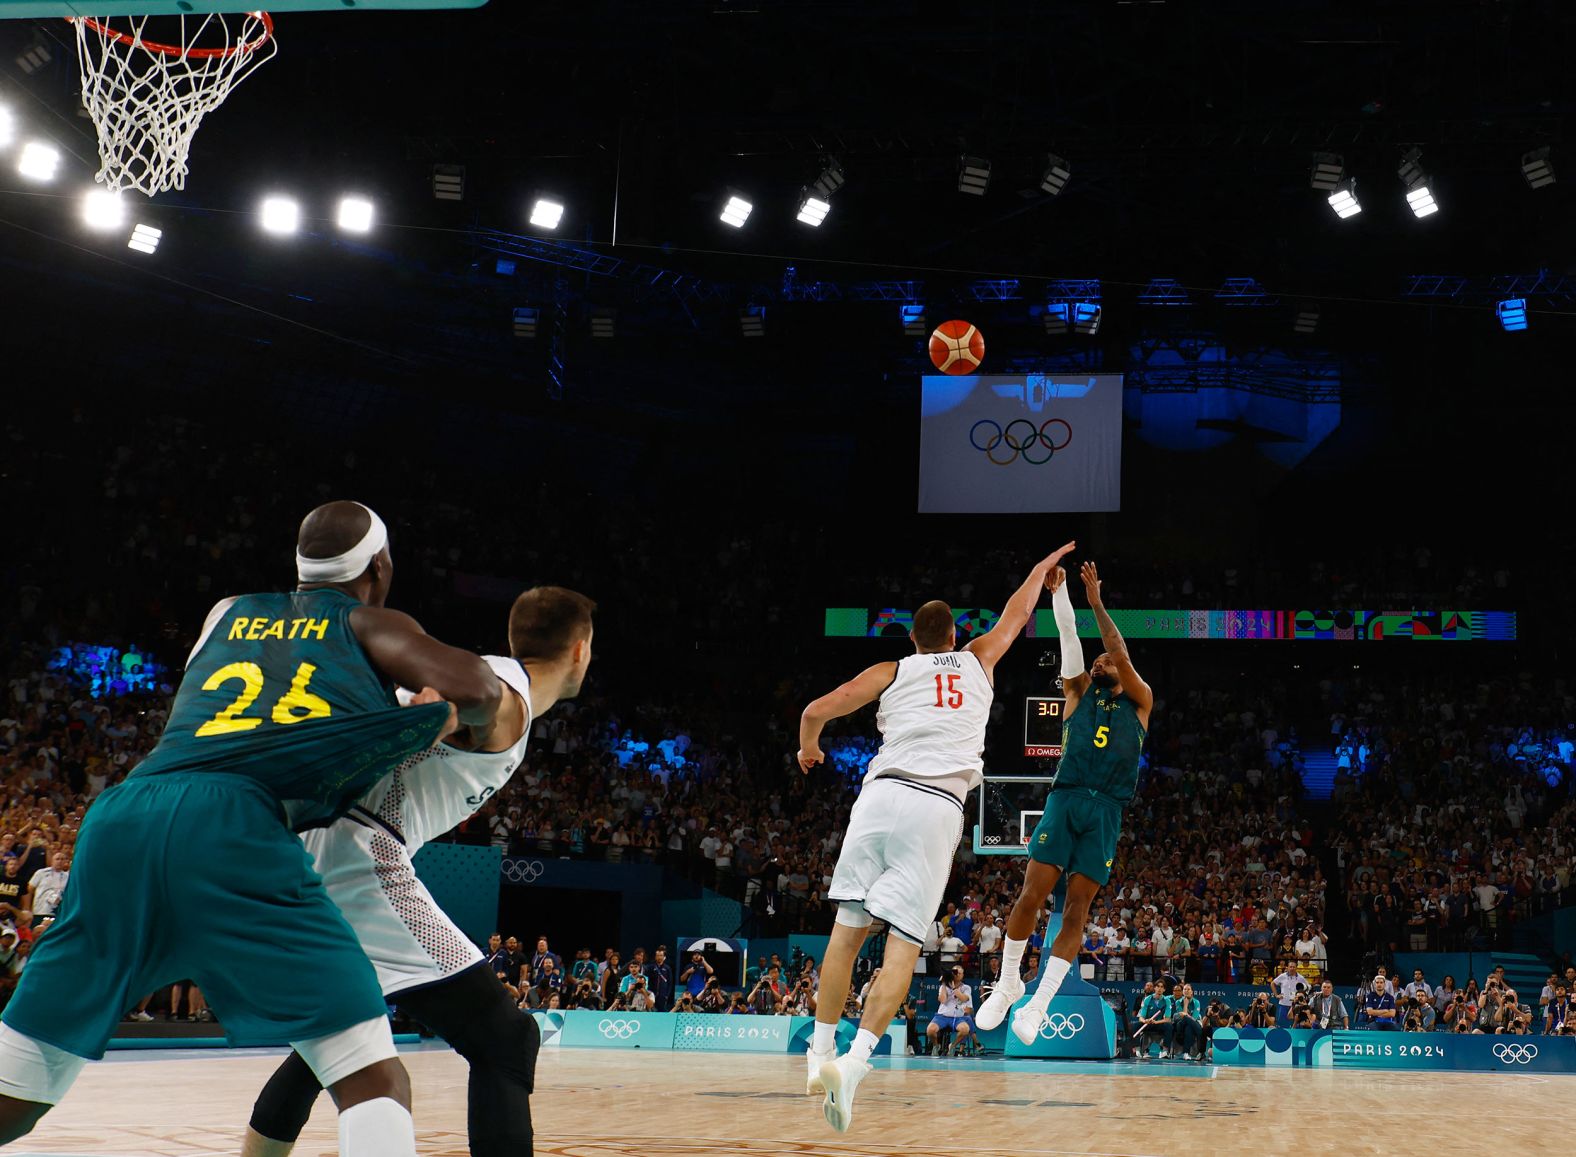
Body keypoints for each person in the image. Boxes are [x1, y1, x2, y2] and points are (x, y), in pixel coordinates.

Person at [0, 501, 500, 1155]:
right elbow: (481, 689)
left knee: (16, 1091)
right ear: (379, 566)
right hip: (233, 824)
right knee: (371, 1076)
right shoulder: (370, 619)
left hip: (124, 817)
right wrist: (433, 715)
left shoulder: (225, 612)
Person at [243, 584, 595, 1157]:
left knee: (338, 1038)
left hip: (309, 851)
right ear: (580, 649)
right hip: (361, 853)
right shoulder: (506, 691)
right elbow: (470, 699)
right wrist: (432, 713)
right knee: (506, 1039)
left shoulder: (495, 678)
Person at [798, 543, 1075, 1132]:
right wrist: (1039, 570)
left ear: (916, 642)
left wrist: (809, 746)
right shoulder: (977, 661)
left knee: (847, 931)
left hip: (878, 797)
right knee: (901, 945)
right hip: (935, 807)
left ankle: (818, 1053)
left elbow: (817, 709)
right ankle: (854, 1063)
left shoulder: (890, 670)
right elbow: (1016, 615)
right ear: (952, 637)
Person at [976, 561, 1156, 1045]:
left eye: (1107, 662)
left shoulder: (1140, 702)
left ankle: (1040, 1003)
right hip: (1067, 798)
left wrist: (1097, 600)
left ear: (1123, 669)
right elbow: (1069, 637)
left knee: (1077, 910)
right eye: (1095, 662)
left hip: (1106, 810)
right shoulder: (1077, 693)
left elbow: (1115, 648)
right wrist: (1061, 596)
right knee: (1030, 895)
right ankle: (1010, 980)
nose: (1098, 662)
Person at [925, 967, 975, 1057]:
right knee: (930, 1030)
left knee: (965, 1029)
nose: (957, 975)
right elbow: (943, 1000)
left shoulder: (966, 988)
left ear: (963, 975)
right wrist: (944, 983)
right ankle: (936, 1046)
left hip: (957, 1018)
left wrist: (954, 988)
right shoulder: (943, 987)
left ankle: (953, 1046)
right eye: (955, 972)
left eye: (960, 973)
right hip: (942, 1016)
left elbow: (964, 999)